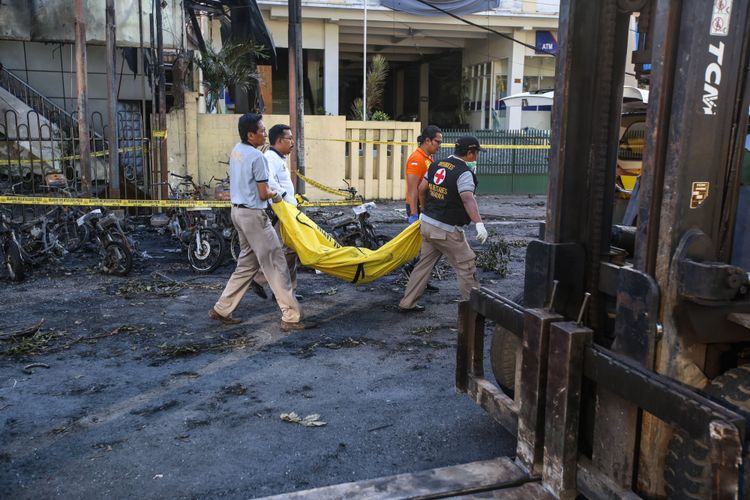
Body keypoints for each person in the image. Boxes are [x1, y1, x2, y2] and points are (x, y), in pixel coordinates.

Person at [209, 113, 315, 331]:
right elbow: (264, 192)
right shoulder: (258, 158)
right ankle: (291, 317)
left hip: (238, 214)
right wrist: (278, 196)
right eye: (262, 131)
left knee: (246, 265)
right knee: (277, 264)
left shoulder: (237, 150)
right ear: (250, 135)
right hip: (254, 217)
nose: (265, 134)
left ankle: (221, 309)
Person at [398, 135, 489, 312]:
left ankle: (407, 303)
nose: (477, 157)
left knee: (423, 265)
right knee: (466, 264)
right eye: (476, 153)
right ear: (470, 153)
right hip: (446, 230)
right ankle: (474, 311)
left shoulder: (436, 164)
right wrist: (479, 223)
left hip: (427, 225)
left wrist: (424, 211)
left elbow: (422, 189)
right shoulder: (464, 173)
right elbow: (467, 199)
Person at [251, 124, 302, 300]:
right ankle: (260, 279)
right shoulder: (269, 158)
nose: (292, 142)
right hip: (283, 209)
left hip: (289, 208)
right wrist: (286, 197)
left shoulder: (278, 158)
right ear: (279, 140)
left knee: (292, 248)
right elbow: (269, 182)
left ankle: (286, 291)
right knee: (286, 250)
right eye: (289, 138)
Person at [404, 125, 442, 292]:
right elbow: (412, 190)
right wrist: (414, 214)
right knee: (424, 247)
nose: (439, 145)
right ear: (427, 140)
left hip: (425, 208)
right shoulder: (416, 159)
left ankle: (421, 279)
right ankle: (413, 273)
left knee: (428, 247)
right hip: (418, 209)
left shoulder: (428, 157)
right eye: (437, 142)